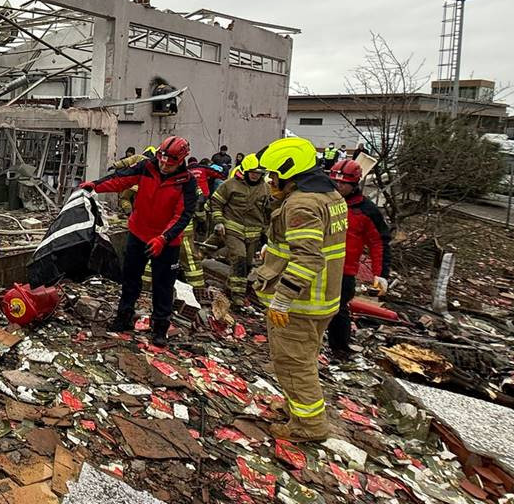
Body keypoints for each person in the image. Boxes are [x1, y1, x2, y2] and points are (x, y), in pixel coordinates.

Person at [251, 137, 347, 442]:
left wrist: (281, 300)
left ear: (289, 172)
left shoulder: (301, 204)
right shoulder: (330, 196)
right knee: (303, 359)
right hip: (323, 299)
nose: (270, 181)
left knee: (293, 363)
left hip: (300, 303)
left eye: (273, 174)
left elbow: (308, 257)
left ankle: (308, 426)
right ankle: (298, 408)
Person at [81, 135, 198, 343]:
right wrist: (95, 186)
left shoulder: (187, 182)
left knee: (163, 285)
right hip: (138, 233)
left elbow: (182, 215)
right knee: (130, 279)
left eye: (169, 163)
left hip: (167, 242)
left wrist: (164, 238)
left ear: (180, 161)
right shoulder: (147, 167)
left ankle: (160, 328)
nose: (163, 165)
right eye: (162, 159)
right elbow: (121, 179)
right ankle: (124, 317)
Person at [326, 159, 391, 360]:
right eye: (335, 182)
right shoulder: (323, 201)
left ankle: (339, 349)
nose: (338, 187)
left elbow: (379, 243)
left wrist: (380, 274)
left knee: (338, 311)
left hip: (345, 270)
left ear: (354, 184)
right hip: (319, 264)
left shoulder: (366, 210)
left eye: (343, 184)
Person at [208, 153, 270, 298]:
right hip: (232, 228)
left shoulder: (266, 189)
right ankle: (237, 296)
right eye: (252, 173)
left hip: (253, 233)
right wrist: (218, 222)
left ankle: (230, 288)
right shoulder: (230, 185)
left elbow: (268, 212)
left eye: (258, 173)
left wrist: (267, 233)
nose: (255, 176)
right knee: (239, 257)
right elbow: (216, 203)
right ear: (245, 171)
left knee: (248, 264)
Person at [108, 145, 153, 215]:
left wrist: (114, 166)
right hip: (142, 188)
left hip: (130, 185)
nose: (129, 154)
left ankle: (129, 213)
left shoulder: (138, 157)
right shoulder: (154, 164)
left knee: (124, 199)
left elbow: (125, 162)